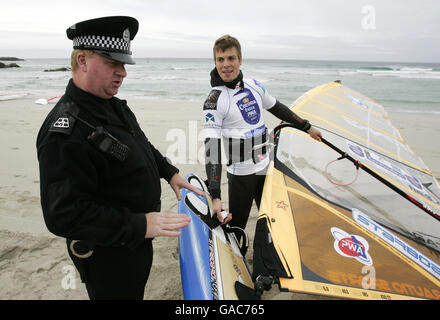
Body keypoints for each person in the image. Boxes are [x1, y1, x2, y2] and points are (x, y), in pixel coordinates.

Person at [36, 16, 203, 300]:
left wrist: (169, 172)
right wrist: (141, 225)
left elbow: (138, 143)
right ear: (82, 61)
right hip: (108, 253)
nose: (123, 72)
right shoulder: (65, 132)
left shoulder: (110, 104)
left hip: (135, 241)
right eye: (113, 63)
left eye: (124, 64)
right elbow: (63, 215)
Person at [203, 34, 322, 234]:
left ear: (240, 60)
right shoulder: (215, 100)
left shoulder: (254, 86)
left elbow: (277, 108)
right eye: (220, 59)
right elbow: (212, 147)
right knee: (238, 226)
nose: (226, 65)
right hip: (241, 174)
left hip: (265, 167)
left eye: (231, 58)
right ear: (215, 62)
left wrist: (307, 127)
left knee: (271, 217)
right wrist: (215, 196)